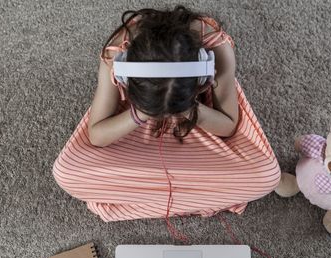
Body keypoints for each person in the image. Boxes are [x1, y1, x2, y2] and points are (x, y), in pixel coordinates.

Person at [53, 5, 281, 222]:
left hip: (197, 118)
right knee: (65, 173)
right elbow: (98, 135)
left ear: (203, 76)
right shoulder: (116, 56)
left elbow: (228, 126)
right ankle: (189, 200)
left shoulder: (217, 49)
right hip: (134, 123)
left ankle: (151, 203)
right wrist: (141, 113)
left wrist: (188, 110)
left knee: (267, 177)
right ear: (124, 78)